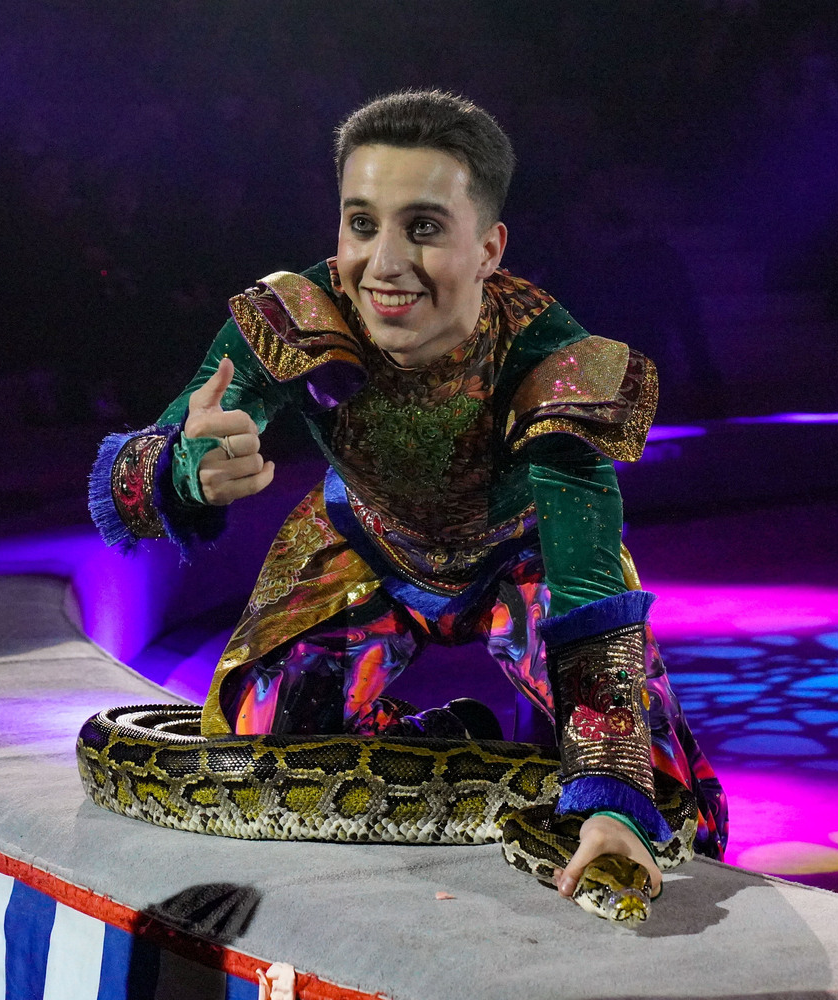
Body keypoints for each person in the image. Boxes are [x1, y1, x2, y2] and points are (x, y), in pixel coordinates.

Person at [89, 90, 726, 902]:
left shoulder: (554, 361)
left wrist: (610, 791)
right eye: (362, 224)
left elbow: (589, 579)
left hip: (522, 554)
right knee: (255, 744)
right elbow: (131, 485)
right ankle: (451, 744)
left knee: (660, 806)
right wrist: (187, 470)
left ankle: (565, 776)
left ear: (489, 248)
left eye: (422, 227)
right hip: (362, 541)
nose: (384, 265)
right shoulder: (296, 316)